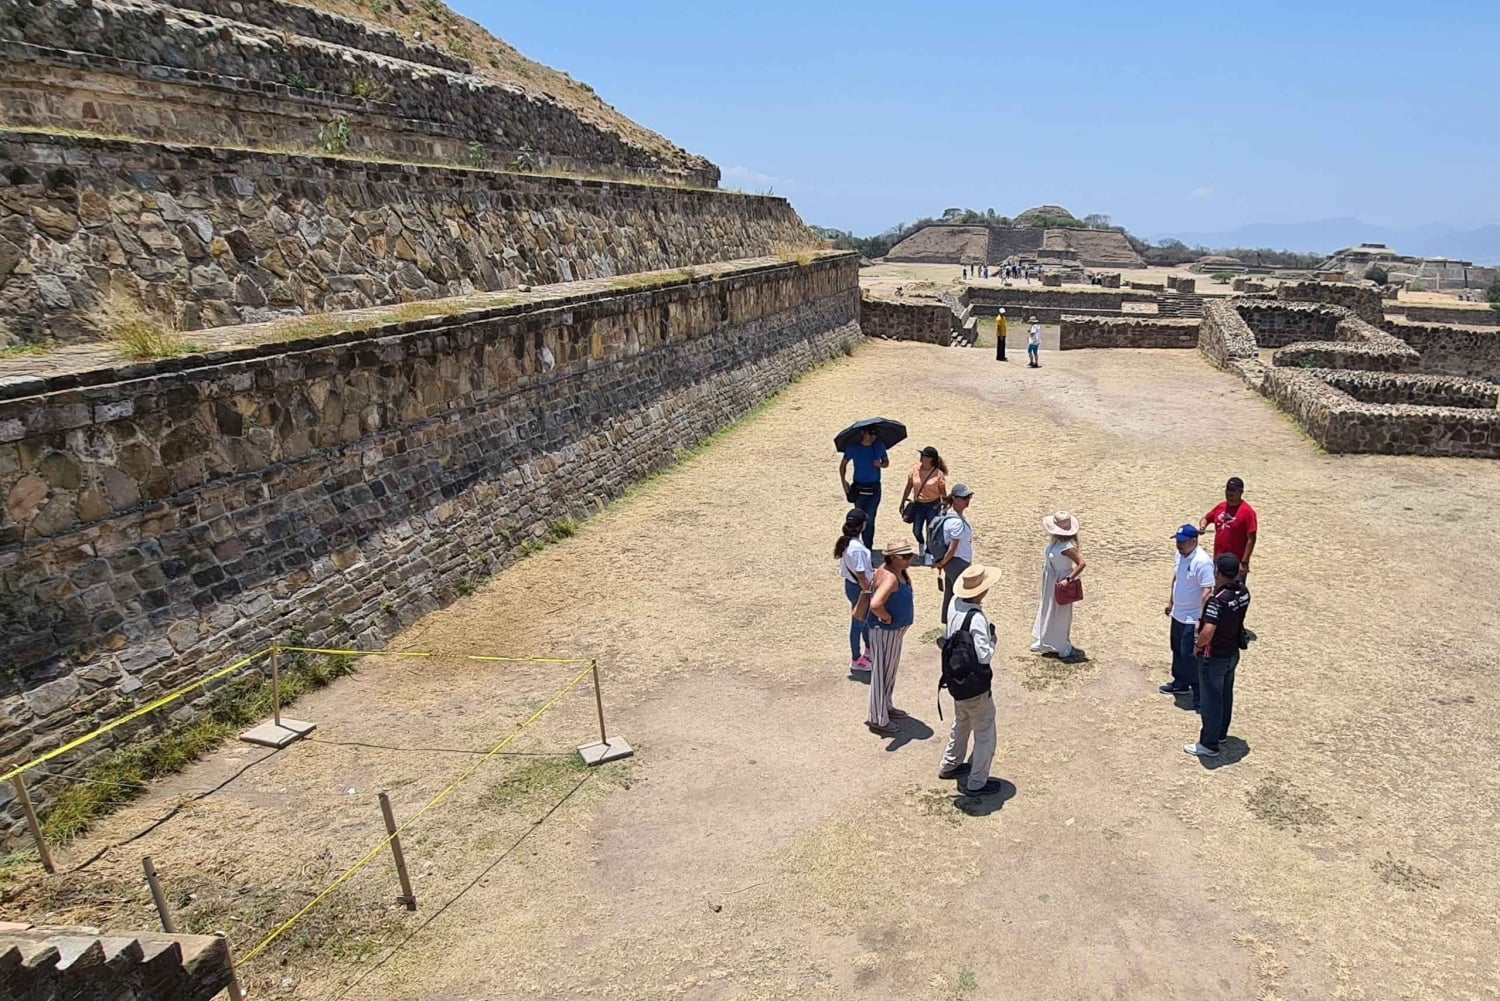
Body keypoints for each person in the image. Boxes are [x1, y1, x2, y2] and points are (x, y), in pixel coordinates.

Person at [939, 564, 1000, 796]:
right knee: (985, 731)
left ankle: (950, 764)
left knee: (961, 722)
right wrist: (992, 640)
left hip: (956, 679)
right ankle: (977, 781)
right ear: (982, 591)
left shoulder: (954, 605)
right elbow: (983, 656)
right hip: (975, 684)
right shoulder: (976, 618)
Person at [1185, 554, 1251, 758]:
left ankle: (1209, 743)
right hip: (1231, 653)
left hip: (1213, 656)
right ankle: (1220, 733)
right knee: (1225, 695)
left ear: (1219, 573)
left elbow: (1208, 631)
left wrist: (1198, 645)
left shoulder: (1218, 601)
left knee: (1211, 699)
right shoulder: (1243, 592)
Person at [866, 541, 917, 736]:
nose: (909, 560)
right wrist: (886, 617)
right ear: (893, 558)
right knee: (881, 672)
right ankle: (878, 717)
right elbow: (876, 604)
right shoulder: (890, 577)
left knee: (888, 671)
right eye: (905, 557)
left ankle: (886, 705)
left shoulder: (895, 572)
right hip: (886, 631)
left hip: (894, 632)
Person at [1161, 524, 1215, 703]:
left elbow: (1207, 590)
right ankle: (1180, 682)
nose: (1179, 545)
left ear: (1194, 541)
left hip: (1192, 618)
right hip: (1178, 613)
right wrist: (1171, 602)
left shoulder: (1202, 562)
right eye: (1177, 541)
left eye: (1182, 542)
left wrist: (1201, 617)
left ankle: (1199, 692)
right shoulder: (1180, 555)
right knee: (1177, 649)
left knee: (1190, 655)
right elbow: (1176, 579)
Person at [1031, 510, 1086, 661]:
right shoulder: (1056, 543)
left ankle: (1062, 645)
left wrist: (1068, 579)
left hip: (1060, 580)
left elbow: (1081, 563)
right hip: (1050, 578)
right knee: (1047, 607)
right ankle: (1044, 640)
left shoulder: (1067, 547)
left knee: (1061, 612)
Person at [835, 508, 874, 674]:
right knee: (858, 623)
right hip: (860, 588)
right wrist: (869, 592)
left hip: (852, 586)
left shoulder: (848, 543)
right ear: (862, 525)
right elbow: (860, 574)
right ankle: (856, 658)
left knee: (863, 621)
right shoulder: (857, 548)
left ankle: (868, 649)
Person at [1199, 476, 1258, 582]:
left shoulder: (1247, 512)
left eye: (1233, 490)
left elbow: (1251, 539)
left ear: (1241, 492)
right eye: (1228, 489)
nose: (1229, 493)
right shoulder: (1221, 507)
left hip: (1236, 563)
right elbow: (1206, 518)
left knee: (1235, 593)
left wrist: (1244, 562)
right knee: (1218, 592)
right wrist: (1203, 526)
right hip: (1219, 560)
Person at [839, 428, 888, 550]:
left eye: (875, 434)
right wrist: (843, 481)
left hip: (874, 488)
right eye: (871, 433)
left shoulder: (879, 446)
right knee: (858, 519)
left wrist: (881, 464)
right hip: (859, 488)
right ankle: (855, 545)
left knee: (870, 520)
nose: (873, 436)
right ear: (863, 433)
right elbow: (843, 464)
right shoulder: (853, 448)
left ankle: (867, 548)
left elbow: (886, 462)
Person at [933, 483, 975, 624]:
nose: (967, 500)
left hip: (953, 562)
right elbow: (952, 548)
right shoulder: (956, 522)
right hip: (958, 562)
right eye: (964, 498)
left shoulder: (950, 515)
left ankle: (948, 626)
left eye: (968, 497)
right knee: (964, 595)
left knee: (950, 594)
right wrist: (942, 563)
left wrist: (942, 564)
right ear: (955, 499)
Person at [900, 446, 948, 552]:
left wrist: (944, 507)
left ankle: (928, 552)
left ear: (931, 459)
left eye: (924, 455)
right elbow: (909, 486)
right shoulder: (915, 470)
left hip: (933, 505)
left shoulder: (938, 474)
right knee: (916, 530)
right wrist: (903, 501)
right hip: (918, 505)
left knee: (931, 530)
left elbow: (943, 493)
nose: (921, 457)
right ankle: (921, 543)